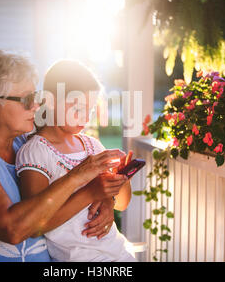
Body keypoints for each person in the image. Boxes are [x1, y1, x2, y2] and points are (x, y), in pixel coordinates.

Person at [0, 50, 127, 262]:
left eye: (35, 97)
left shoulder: (22, 143)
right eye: (26, 99)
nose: (36, 106)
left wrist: (106, 197)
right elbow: (12, 230)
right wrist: (79, 177)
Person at [16, 60, 136, 262]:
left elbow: (122, 204)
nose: (85, 118)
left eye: (89, 110)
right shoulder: (36, 152)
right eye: (78, 108)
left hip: (118, 255)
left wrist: (120, 181)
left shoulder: (93, 146)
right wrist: (91, 191)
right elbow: (35, 224)